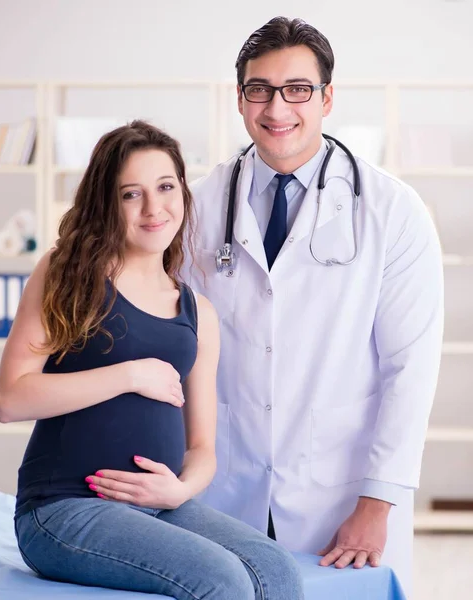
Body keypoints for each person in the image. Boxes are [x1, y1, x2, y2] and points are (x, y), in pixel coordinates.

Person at [181, 16, 443, 597]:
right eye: (260, 89)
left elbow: (410, 369)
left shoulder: (392, 213)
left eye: (297, 89)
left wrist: (377, 502)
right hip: (219, 490)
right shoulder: (193, 206)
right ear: (240, 100)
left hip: (340, 498)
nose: (278, 108)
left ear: (326, 98)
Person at [0, 120, 305, 600]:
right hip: (63, 509)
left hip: (162, 506)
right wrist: (129, 375)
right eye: (130, 195)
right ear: (106, 204)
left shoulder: (198, 311)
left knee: (276, 570)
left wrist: (178, 492)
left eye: (165, 187)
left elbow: (201, 448)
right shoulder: (67, 273)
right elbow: (11, 399)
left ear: (183, 189)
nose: (154, 208)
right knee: (223, 580)